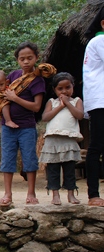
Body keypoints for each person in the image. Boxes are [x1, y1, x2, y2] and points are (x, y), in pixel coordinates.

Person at [0, 41, 56, 208]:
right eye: (22, 58)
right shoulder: (13, 76)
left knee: (29, 160)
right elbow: (0, 93)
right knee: (7, 160)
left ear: (36, 58)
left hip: (27, 126)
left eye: (30, 58)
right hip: (7, 127)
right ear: (17, 60)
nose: (26, 62)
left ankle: (31, 193)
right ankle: (7, 194)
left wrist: (15, 98)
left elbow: (36, 107)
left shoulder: (38, 81)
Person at [39, 73, 83, 205]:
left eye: (67, 87)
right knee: (53, 170)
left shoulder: (76, 101)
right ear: (55, 90)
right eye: (60, 89)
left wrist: (68, 104)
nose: (64, 91)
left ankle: (71, 194)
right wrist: (61, 106)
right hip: (52, 141)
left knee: (69, 170)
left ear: (73, 87)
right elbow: (45, 117)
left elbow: (79, 115)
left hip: (68, 141)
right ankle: (55, 195)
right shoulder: (52, 102)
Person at [82, 5, 104, 207]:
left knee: (97, 146)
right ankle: (93, 195)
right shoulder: (99, 41)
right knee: (96, 147)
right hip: (100, 102)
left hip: (99, 101)